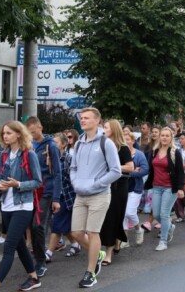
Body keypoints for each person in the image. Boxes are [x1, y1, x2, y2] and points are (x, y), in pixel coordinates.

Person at [0, 121, 43, 292]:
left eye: (9, 133)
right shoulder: (4, 154)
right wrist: (0, 185)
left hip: (23, 206)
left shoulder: (29, 155)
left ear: (19, 134)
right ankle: (33, 277)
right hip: (6, 206)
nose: (5, 136)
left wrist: (18, 184)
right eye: (4, 133)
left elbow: (37, 182)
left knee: (9, 246)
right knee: (20, 244)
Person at [69, 108, 122, 288]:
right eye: (81, 118)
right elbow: (73, 167)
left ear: (97, 121)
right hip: (80, 194)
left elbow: (116, 171)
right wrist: (75, 182)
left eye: (86, 118)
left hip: (99, 194)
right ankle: (98, 254)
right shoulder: (78, 143)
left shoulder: (106, 143)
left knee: (93, 233)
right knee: (76, 233)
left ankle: (90, 272)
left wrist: (96, 184)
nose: (82, 120)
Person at [25, 117, 62, 277]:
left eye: (34, 132)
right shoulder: (27, 145)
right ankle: (35, 254)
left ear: (40, 127)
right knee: (30, 226)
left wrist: (56, 198)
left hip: (46, 191)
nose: (32, 135)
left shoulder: (51, 146)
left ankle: (40, 262)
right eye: (29, 133)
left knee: (38, 226)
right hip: (30, 191)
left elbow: (57, 173)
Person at [143, 127, 185, 251]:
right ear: (159, 137)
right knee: (156, 214)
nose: (164, 138)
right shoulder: (155, 151)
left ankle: (163, 241)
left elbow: (179, 171)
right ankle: (169, 226)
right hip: (156, 186)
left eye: (167, 135)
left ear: (171, 137)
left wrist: (180, 188)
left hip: (170, 187)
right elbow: (151, 168)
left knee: (164, 214)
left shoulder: (174, 152)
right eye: (163, 135)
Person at [100, 119, 134, 266]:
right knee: (106, 218)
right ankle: (117, 239)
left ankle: (108, 252)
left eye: (106, 127)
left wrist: (115, 167)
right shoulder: (102, 146)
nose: (103, 129)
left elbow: (130, 167)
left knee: (112, 217)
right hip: (103, 186)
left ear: (113, 129)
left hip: (118, 187)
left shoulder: (122, 148)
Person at [45, 133, 80, 263]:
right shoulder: (48, 158)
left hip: (66, 196)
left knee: (57, 224)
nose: (52, 145)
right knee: (65, 226)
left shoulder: (69, 159)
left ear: (64, 144)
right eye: (52, 142)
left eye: (56, 142)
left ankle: (48, 253)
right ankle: (76, 245)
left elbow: (72, 179)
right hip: (52, 196)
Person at [123, 132, 149, 246]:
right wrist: (132, 170)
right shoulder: (120, 153)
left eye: (128, 139)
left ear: (133, 141)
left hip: (135, 188)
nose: (126, 142)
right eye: (124, 140)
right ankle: (125, 239)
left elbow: (145, 169)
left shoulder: (139, 154)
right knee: (122, 214)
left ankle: (139, 230)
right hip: (122, 187)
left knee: (130, 213)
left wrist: (130, 173)